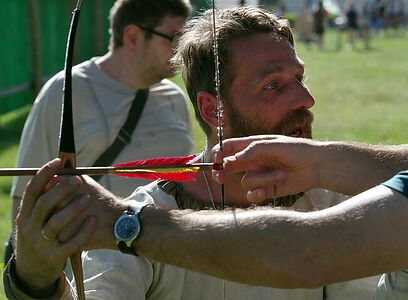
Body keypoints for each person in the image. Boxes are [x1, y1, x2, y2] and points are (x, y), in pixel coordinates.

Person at [4, 6, 387, 299]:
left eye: (299, 78)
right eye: (273, 85)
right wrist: (38, 282)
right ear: (212, 110)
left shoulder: (331, 201)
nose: (307, 99)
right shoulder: (143, 215)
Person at [5, 0, 194, 264]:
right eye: (174, 38)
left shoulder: (175, 98)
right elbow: (26, 196)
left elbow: (187, 189)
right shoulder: (64, 90)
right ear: (132, 37)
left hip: (168, 266)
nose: (182, 50)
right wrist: (30, 273)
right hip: (90, 274)